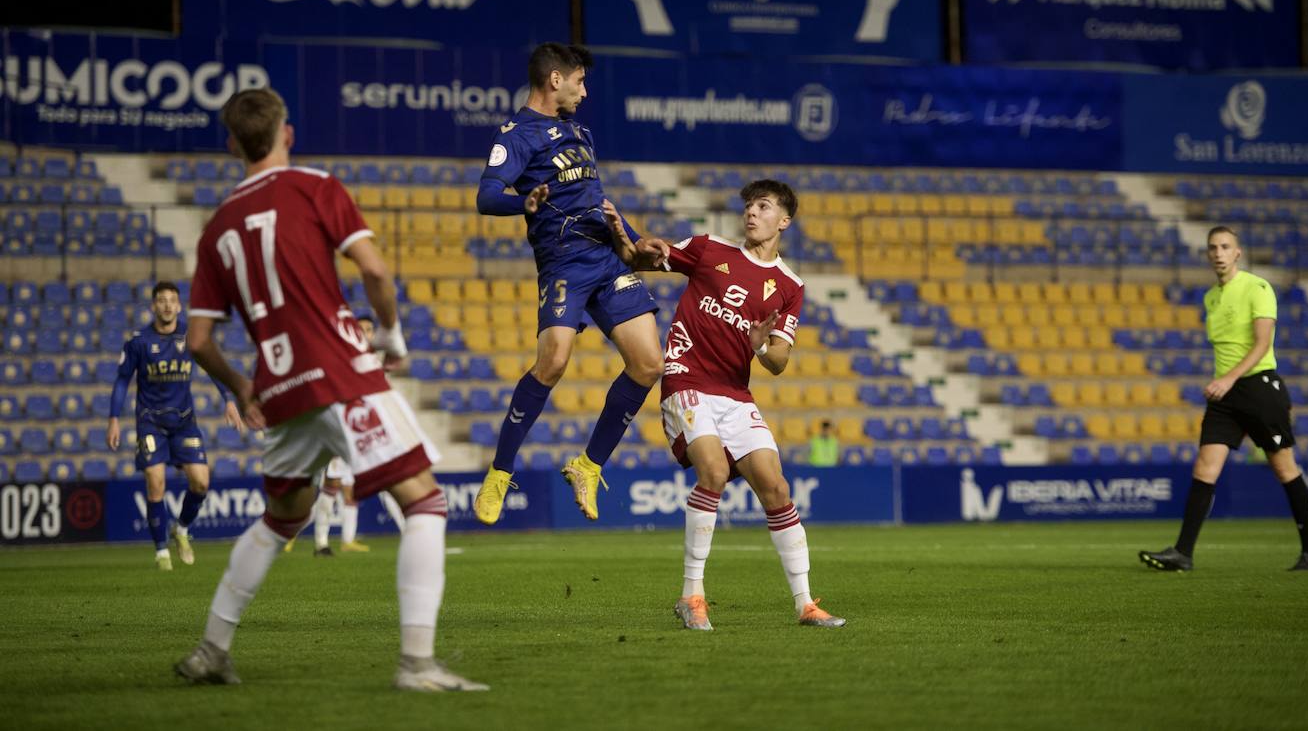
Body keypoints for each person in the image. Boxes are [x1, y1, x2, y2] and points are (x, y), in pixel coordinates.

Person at [174, 87, 487, 692]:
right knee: (425, 503)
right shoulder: (315, 186)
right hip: (341, 375)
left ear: (233, 144)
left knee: (280, 518)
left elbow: (197, 340)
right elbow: (373, 268)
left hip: (280, 388)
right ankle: (417, 665)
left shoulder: (216, 229)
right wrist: (391, 337)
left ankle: (212, 649)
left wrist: (241, 386)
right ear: (286, 133)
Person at [607, 180, 845, 630]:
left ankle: (805, 604)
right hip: (686, 378)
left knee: (775, 487)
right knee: (713, 472)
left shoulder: (791, 286)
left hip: (735, 393)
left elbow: (778, 362)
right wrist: (624, 234)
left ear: (784, 220)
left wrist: (758, 345)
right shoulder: (707, 249)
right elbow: (642, 260)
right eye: (749, 206)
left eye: (763, 206)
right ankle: (691, 595)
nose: (751, 213)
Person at [473, 42, 667, 524]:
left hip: (606, 258)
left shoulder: (580, 131)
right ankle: (499, 472)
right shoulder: (517, 135)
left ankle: (587, 466)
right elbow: (486, 196)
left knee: (648, 364)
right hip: (563, 263)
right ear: (555, 79)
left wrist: (637, 240)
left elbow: (598, 199)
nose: (585, 90)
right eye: (580, 80)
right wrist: (526, 204)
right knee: (554, 361)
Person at [1140, 226, 1308, 572]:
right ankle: (1183, 553)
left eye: (1225, 247)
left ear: (1238, 252)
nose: (1219, 253)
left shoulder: (1257, 288)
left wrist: (1227, 379)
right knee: (1204, 467)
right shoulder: (1211, 297)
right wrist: (1223, 383)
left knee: (1284, 468)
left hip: (1258, 388)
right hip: (1226, 397)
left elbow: (1261, 344)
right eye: (1213, 248)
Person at [107, 281, 241, 570]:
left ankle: (181, 530)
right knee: (156, 483)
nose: (167, 305)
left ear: (179, 306)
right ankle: (161, 553)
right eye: (162, 300)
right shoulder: (139, 341)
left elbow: (213, 366)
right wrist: (114, 419)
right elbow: (121, 381)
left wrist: (228, 399)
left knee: (201, 482)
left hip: (184, 422)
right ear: (154, 306)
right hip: (150, 422)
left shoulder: (191, 336)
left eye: (172, 300)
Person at [284, 313, 408, 555]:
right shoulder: (342, 356)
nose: (365, 333)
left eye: (369, 329)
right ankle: (318, 542)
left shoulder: (371, 360)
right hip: (340, 431)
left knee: (360, 489)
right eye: (360, 328)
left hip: (364, 432)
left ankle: (349, 540)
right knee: (331, 488)